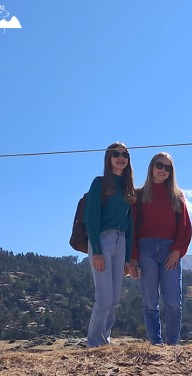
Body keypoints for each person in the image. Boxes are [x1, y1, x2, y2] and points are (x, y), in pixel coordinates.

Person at [130, 152, 192, 346]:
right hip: (145, 249)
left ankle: (173, 344)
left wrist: (177, 250)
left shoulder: (177, 195)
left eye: (168, 167)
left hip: (169, 250)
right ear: (151, 167)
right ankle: (155, 344)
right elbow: (131, 227)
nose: (163, 170)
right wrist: (132, 257)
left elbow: (185, 226)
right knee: (150, 301)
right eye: (159, 165)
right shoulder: (139, 195)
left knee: (173, 302)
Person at [84, 142, 135, 347]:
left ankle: (105, 339)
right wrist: (96, 250)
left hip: (120, 241)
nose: (121, 157)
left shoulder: (128, 188)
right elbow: (91, 218)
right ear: (108, 158)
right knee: (104, 297)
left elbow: (130, 224)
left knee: (114, 299)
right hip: (102, 240)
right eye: (116, 154)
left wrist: (128, 257)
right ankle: (94, 343)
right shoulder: (100, 183)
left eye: (125, 154)